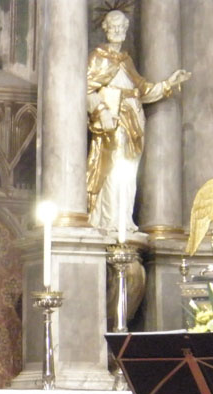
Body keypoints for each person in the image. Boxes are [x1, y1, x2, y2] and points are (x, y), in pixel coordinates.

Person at [86, 9, 190, 235]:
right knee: (112, 168)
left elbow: (143, 90)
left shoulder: (126, 60)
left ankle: (124, 219)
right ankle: (109, 220)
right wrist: (102, 110)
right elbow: (85, 89)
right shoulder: (97, 57)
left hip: (133, 120)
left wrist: (168, 84)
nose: (117, 31)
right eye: (113, 26)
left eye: (121, 27)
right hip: (112, 120)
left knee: (129, 171)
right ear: (105, 29)